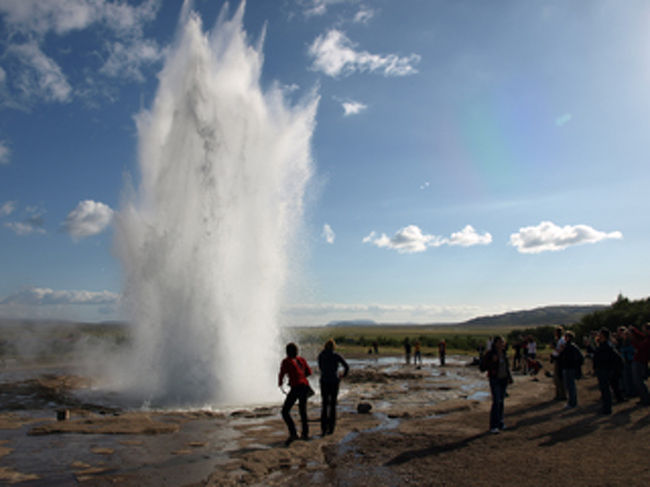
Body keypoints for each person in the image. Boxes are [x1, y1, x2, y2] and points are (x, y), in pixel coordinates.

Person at [278, 342, 312, 445]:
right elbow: (309, 372)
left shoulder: (286, 361)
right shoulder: (301, 360)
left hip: (296, 387)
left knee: (285, 411)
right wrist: (301, 377)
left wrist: (280, 384)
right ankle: (305, 434)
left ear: (287, 352)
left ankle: (293, 433)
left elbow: (282, 374)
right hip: (305, 387)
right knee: (303, 411)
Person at [480, 336, 512, 433]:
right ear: (495, 344)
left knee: (501, 401)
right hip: (495, 380)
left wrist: (510, 378)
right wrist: (491, 361)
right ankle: (493, 425)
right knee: (496, 401)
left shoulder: (504, 354)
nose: (501, 344)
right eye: (499, 342)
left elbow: (506, 367)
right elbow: (482, 367)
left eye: (502, 342)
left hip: (503, 380)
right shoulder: (491, 354)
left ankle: (500, 423)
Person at [318, 339, 349, 436]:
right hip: (334, 381)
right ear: (333, 347)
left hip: (324, 380)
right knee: (332, 404)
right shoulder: (336, 355)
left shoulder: (321, 355)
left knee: (324, 404)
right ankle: (331, 428)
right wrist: (342, 376)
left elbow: (320, 367)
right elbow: (346, 366)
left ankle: (323, 428)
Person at [592, 328, 623, 414]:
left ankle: (607, 408)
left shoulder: (606, 347)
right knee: (604, 389)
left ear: (603, 336)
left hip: (604, 370)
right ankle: (606, 407)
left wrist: (612, 368)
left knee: (605, 389)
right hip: (602, 369)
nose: (598, 335)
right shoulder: (602, 345)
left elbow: (616, 358)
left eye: (600, 334)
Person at [558, 331, 583, 409]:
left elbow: (580, 358)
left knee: (570, 386)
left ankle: (572, 403)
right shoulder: (569, 346)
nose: (564, 338)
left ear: (569, 338)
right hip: (568, 368)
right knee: (569, 386)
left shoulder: (571, 347)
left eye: (566, 337)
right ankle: (571, 402)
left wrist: (575, 365)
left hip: (569, 368)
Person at [629, 324, 650, 406]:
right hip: (640, 361)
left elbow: (640, 347)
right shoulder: (647, 337)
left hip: (641, 361)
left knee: (639, 381)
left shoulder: (648, 340)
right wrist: (634, 330)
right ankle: (644, 398)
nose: (643, 331)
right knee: (638, 381)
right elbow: (641, 336)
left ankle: (646, 399)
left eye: (644, 329)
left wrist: (632, 340)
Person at [551, 327, 567, 401]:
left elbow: (562, 351)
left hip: (560, 360)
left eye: (556, 332)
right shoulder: (558, 340)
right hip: (557, 359)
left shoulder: (562, 340)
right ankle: (558, 394)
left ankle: (562, 395)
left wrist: (554, 348)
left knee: (559, 378)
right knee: (556, 378)